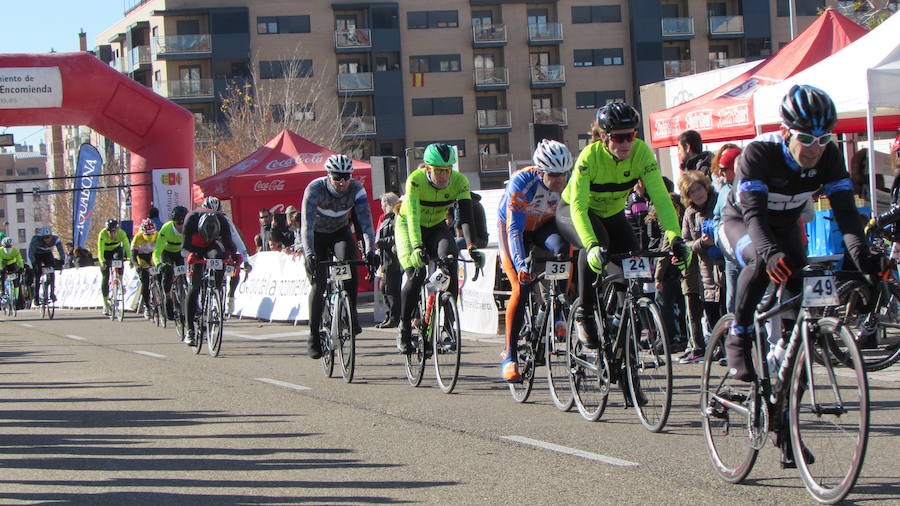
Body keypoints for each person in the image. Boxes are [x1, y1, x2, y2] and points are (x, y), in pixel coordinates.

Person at [720, 85, 881, 383]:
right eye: (805, 138)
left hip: (785, 226)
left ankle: (791, 348)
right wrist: (769, 252)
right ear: (785, 132)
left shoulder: (829, 156)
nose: (814, 148)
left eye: (823, 139)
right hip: (740, 222)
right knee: (759, 262)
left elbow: (847, 214)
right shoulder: (759, 153)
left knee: (801, 277)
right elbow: (754, 215)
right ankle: (738, 335)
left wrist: (863, 256)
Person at [556, 102, 689, 351]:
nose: (626, 143)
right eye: (619, 137)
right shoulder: (590, 157)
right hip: (576, 213)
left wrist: (674, 236)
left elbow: (661, 198)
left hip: (614, 214)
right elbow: (579, 208)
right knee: (598, 245)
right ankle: (584, 313)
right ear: (605, 137)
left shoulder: (641, 153)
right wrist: (592, 244)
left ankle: (621, 322)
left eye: (631, 135)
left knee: (632, 263)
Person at [395, 143, 485, 354]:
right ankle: (404, 327)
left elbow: (466, 217)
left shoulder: (459, 181)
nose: (444, 175)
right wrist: (417, 246)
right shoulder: (415, 181)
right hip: (409, 226)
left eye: (448, 170)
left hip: (436, 226)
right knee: (415, 275)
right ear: (428, 169)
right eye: (438, 170)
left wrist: (472, 246)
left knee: (450, 262)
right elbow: (414, 217)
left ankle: (447, 327)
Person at [498, 139, 572, 382]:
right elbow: (515, 231)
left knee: (563, 252)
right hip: (515, 227)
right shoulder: (523, 183)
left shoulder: (569, 182)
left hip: (543, 224)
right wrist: (520, 265)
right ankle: (510, 356)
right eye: (553, 175)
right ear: (541, 171)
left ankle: (556, 309)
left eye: (563, 174)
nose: (560, 180)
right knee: (521, 287)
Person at [301, 154, 378, 359]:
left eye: (346, 176)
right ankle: (313, 334)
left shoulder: (356, 189)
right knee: (318, 284)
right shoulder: (314, 190)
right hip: (316, 236)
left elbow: (366, 224)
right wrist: (309, 254)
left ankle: (350, 313)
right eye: (337, 177)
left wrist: (370, 250)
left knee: (349, 267)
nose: (342, 182)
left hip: (339, 232)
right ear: (329, 176)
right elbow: (306, 227)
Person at [677, 171, 721, 364]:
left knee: (727, 308)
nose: (697, 194)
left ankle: (728, 347)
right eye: (692, 191)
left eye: (699, 188)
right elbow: (686, 242)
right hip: (705, 270)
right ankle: (717, 347)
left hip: (724, 264)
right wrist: (702, 244)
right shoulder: (689, 213)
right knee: (710, 310)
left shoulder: (719, 202)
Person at [181, 208, 238, 346]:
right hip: (193, 248)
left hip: (211, 246)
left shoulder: (222, 221)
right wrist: (189, 256)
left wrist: (235, 256)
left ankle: (215, 292)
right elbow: (184, 248)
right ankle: (190, 331)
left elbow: (230, 245)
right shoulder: (191, 219)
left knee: (220, 257)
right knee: (194, 286)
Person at [199, 196, 251, 314]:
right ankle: (204, 297)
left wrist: (246, 260)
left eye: (216, 214)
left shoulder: (225, 220)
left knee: (235, 266)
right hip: (206, 248)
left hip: (223, 247)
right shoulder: (198, 219)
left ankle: (230, 296)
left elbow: (237, 240)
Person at [711, 145, 742, 314]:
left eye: (724, 169)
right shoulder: (723, 191)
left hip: (751, 254)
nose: (721, 173)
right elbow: (716, 217)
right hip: (730, 257)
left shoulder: (750, 187)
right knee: (732, 304)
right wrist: (719, 238)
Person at [152, 205, 188, 320]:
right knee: (167, 272)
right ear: (173, 222)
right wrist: (158, 264)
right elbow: (157, 251)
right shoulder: (166, 229)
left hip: (179, 253)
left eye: (184, 223)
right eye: (178, 224)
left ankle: (185, 296)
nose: (181, 227)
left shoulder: (189, 229)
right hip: (166, 252)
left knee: (186, 275)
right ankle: (167, 298)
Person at [375, 193, 401, 328]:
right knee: (384, 288)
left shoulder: (396, 217)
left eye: (383, 204)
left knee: (391, 290)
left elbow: (397, 237)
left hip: (393, 259)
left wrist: (381, 242)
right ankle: (390, 315)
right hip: (386, 259)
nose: (381, 206)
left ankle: (394, 317)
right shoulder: (387, 218)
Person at [97, 219, 131, 315]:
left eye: (114, 231)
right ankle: (105, 304)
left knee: (119, 260)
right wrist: (102, 261)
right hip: (105, 253)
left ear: (117, 230)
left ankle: (120, 280)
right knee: (105, 276)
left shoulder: (122, 233)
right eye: (110, 231)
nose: (112, 234)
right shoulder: (102, 234)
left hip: (116, 250)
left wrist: (130, 258)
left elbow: (127, 247)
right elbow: (100, 250)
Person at [28, 226, 65, 307]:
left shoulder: (56, 239)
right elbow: (30, 253)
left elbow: (61, 251)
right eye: (45, 238)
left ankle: (52, 293)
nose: (47, 239)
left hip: (47, 254)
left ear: (52, 236)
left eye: (49, 237)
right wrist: (34, 264)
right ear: (41, 237)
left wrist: (62, 260)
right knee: (38, 274)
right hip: (36, 254)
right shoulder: (35, 239)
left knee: (51, 271)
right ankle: (36, 297)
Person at [131, 218, 158, 319]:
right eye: (147, 234)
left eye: (152, 234)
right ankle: (147, 306)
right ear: (143, 232)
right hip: (142, 258)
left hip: (153, 256)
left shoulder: (158, 235)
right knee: (145, 282)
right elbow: (133, 256)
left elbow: (162, 250)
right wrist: (136, 266)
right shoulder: (138, 238)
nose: (150, 236)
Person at [0, 237, 24, 301]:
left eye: (9, 247)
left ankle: (15, 297)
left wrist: (21, 267)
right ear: (3, 246)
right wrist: (1, 269)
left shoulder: (15, 250)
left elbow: (19, 260)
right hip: (3, 263)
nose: (7, 248)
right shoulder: (0, 251)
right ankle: (3, 292)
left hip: (12, 264)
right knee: (3, 276)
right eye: (6, 247)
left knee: (16, 280)